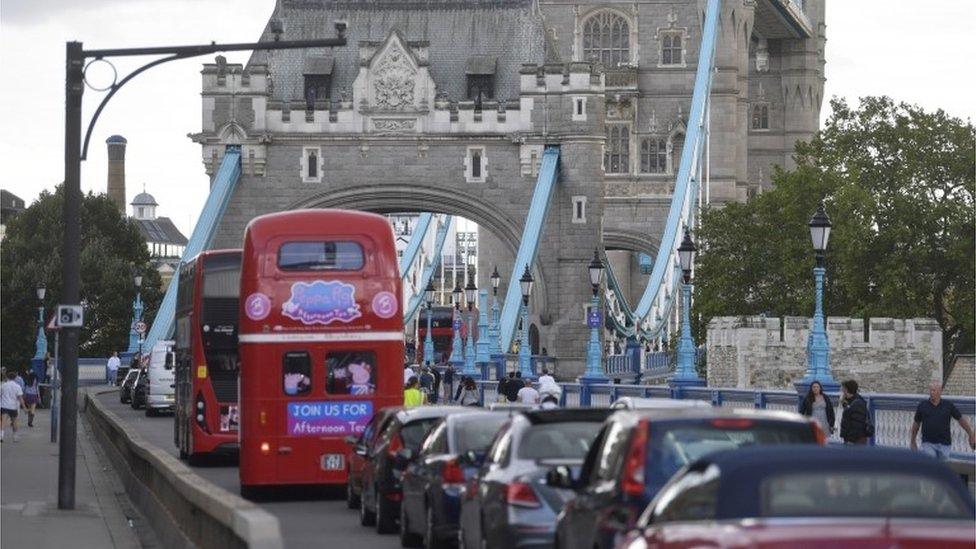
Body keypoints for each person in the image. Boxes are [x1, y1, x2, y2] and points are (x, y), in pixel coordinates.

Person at [910, 381, 976, 460]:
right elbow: (916, 424)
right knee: (931, 462)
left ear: (940, 391)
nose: (931, 393)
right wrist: (913, 441)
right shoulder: (922, 406)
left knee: (943, 466)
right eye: (930, 390)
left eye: (934, 390)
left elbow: (961, 420)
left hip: (945, 444)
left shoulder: (948, 405)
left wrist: (970, 434)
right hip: (928, 443)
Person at [839, 379, 871, 445]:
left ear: (846, 390)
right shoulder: (850, 402)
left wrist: (851, 440)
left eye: (842, 389)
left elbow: (857, 424)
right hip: (850, 439)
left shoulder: (858, 403)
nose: (841, 390)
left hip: (855, 440)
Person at [1, 371, 26, 442]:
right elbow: (20, 398)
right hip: (13, 407)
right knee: (14, 421)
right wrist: (24, 408)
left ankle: (1, 436)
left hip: (4, 405)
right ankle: (15, 437)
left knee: (3, 421)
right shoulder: (17, 386)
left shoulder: (3, 385)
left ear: (7, 377)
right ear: (15, 378)